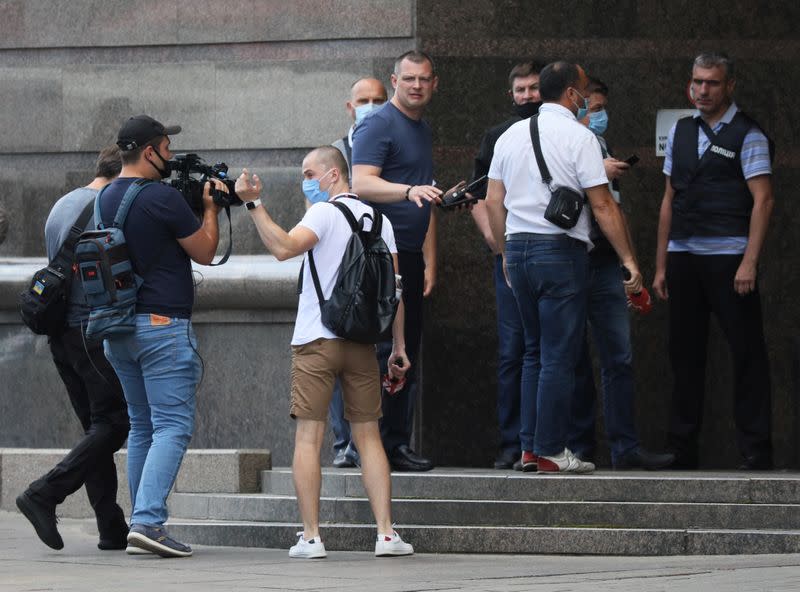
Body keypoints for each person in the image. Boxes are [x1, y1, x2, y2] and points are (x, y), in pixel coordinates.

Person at [237, 145, 414, 559]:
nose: (306, 180)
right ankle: (386, 534)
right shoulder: (381, 221)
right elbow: (395, 291)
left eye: (310, 172)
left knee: (309, 437)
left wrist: (254, 204)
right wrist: (399, 346)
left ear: (334, 175)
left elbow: (283, 248)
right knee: (369, 437)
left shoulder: (323, 213)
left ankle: (312, 537)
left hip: (317, 340)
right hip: (362, 344)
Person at [485, 61, 643, 474]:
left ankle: (529, 449)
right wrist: (628, 259)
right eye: (584, 92)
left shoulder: (510, 136)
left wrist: (504, 252)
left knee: (533, 353)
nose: (587, 100)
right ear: (572, 95)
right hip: (560, 252)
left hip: (517, 250)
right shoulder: (580, 137)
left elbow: (492, 201)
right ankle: (552, 450)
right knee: (558, 354)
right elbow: (603, 204)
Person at [101, 114, 226, 557]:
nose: (171, 156)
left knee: (142, 426)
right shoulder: (161, 198)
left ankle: (141, 520)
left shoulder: (106, 196)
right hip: (161, 328)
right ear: (149, 151)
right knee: (172, 425)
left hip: (118, 328)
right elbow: (207, 253)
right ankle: (149, 522)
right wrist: (210, 208)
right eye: (166, 148)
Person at [653, 53, 774, 470]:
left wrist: (749, 262)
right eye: (697, 82)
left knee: (746, 355)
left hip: (729, 259)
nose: (703, 90)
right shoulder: (681, 132)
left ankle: (756, 448)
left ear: (729, 86)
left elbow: (764, 200)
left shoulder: (748, 134)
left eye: (713, 83)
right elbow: (669, 199)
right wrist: (661, 266)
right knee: (684, 356)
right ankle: (682, 449)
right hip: (684, 257)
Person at [16, 147, 131, 552]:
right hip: (91, 328)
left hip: (60, 332)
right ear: (123, 172)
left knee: (97, 427)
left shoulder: (62, 204)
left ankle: (110, 527)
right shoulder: (108, 206)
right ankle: (44, 493)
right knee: (115, 422)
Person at [567, 78, 675, 470]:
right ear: (574, 104)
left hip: (607, 264)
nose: (598, 117)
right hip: (573, 261)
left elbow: (613, 210)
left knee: (619, 357)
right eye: (592, 108)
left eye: (602, 109)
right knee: (571, 357)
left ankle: (625, 448)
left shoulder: (602, 147)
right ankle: (576, 447)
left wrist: (630, 262)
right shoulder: (563, 142)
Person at [351, 50, 451, 472]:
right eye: (408, 79)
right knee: (379, 351)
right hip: (377, 255)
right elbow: (362, 182)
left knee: (404, 349)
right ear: (394, 80)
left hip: (407, 255)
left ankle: (395, 443)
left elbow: (420, 190)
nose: (416, 86)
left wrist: (439, 199)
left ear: (434, 84)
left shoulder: (421, 128)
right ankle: (372, 445)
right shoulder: (377, 123)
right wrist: (409, 192)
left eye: (423, 79)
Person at [471, 60, 543, 470]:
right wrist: (499, 250)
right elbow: (478, 196)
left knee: (558, 351)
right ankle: (511, 443)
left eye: (534, 88)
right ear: (510, 94)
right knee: (513, 353)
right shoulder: (497, 136)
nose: (528, 96)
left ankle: (559, 441)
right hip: (509, 257)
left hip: (558, 255)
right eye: (521, 90)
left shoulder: (565, 132)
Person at [323, 77, 388, 469]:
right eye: (364, 100)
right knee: (335, 358)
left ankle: (378, 441)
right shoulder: (333, 153)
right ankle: (344, 443)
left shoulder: (391, 143)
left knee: (378, 356)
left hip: (378, 262)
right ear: (350, 107)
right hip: (339, 270)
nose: (371, 106)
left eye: (379, 100)